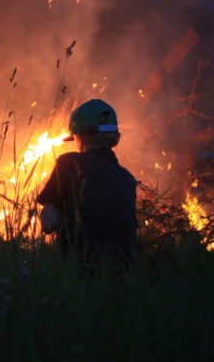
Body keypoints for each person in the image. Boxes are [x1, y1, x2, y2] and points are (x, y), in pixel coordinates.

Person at [37, 99, 139, 264]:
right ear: (116, 138)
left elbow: (48, 224)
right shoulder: (128, 178)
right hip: (123, 274)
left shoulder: (69, 162)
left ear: (79, 138)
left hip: (78, 268)